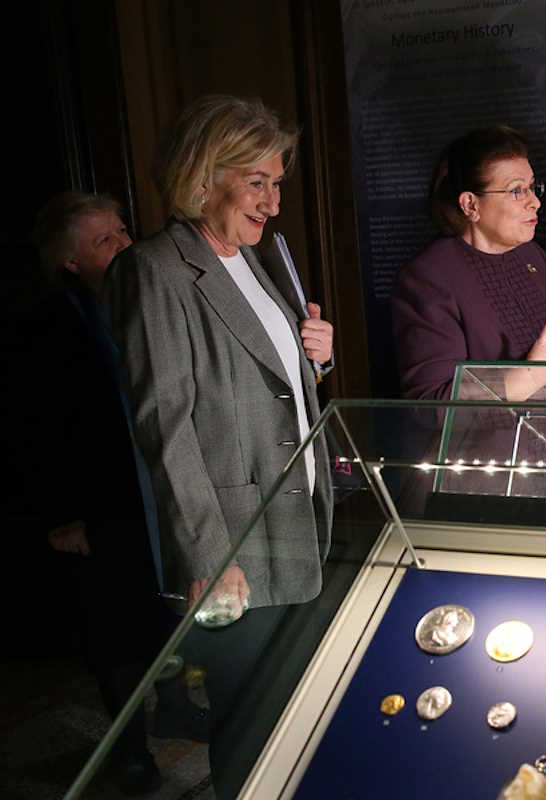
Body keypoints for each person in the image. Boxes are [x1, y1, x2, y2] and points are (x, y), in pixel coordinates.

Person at [103, 95, 334, 796]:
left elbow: (271, 385)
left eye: (278, 182)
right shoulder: (155, 270)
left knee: (291, 718)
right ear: (204, 177)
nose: (273, 202)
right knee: (249, 728)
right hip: (234, 546)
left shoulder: (256, 260)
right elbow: (165, 425)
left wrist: (317, 358)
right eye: (256, 182)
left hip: (296, 525)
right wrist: (210, 555)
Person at [24, 192, 165, 795]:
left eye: (123, 230)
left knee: (166, 610)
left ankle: (177, 711)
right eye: (104, 240)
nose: (125, 243)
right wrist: (63, 515)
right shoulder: (47, 327)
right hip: (101, 503)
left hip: (156, 490)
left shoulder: (150, 296)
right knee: (115, 628)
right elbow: (36, 430)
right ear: (70, 261)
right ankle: (130, 750)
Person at [392, 126, 546, 500]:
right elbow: (433, 404)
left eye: (533, 188)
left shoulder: (532, 257)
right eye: (517, 190)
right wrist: (528, 377)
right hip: (483, 491)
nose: (534, 202)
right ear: (470, 205)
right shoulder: (428, 277)